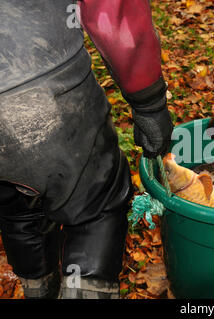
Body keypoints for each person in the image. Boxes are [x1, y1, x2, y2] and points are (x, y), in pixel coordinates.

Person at [0, 0, 173, 298]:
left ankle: (39, 290)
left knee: (17, 204)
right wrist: (149, 102)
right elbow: (113, 14)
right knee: (97, 204)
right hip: (40, 89)